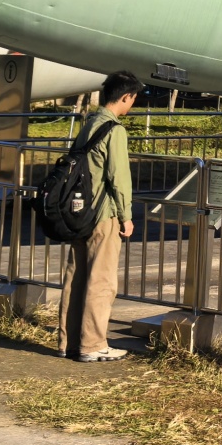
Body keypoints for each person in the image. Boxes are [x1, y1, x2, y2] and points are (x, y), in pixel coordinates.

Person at [61, 70, 140, 362]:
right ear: (125, 97)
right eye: (133, 99)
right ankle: (92, 344)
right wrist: (126, 215)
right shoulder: (114, 130)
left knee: (76, 276)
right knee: (102, 280)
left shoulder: (89, 123)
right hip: (103, 213)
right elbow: (119, 177)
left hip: (80, 211)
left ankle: (67, 341)